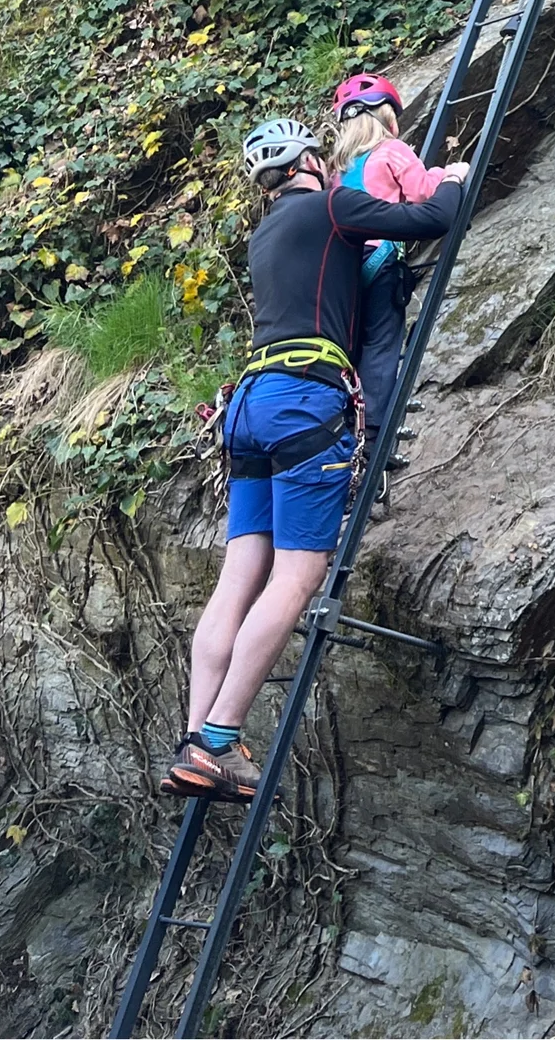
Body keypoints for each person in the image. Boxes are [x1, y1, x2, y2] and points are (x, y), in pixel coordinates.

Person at [158, 117, 463, 802]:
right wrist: (454, 176)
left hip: (248, 408)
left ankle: (194, 733)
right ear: (314, 162)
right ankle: (218, 740)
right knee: (296, 579)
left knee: (238, 580)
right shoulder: (331, 205)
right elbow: (432, 215)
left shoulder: (264, 233)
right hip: (302, 401)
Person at [327, 70, 467, 431]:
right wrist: (450, 173)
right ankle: (374, 430)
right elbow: (422, 192)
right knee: (382, 344)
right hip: (381, 260)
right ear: (386, 118)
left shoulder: (337, 170)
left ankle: (348, 424)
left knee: (351, 348)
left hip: (341, 268)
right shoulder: (391, 150)